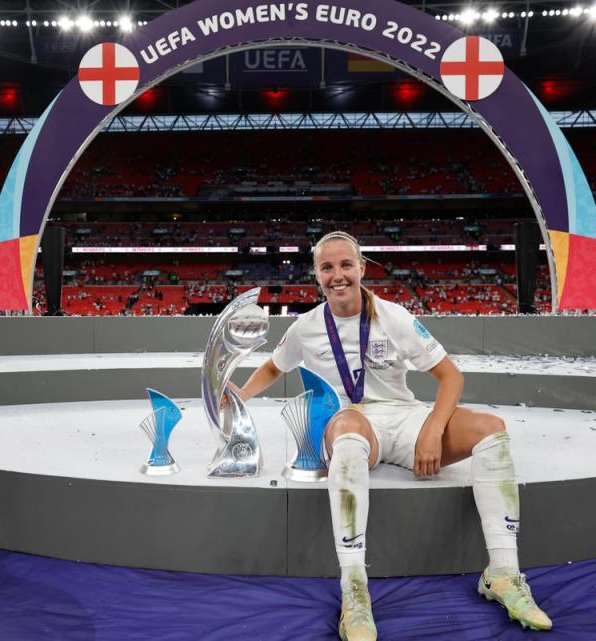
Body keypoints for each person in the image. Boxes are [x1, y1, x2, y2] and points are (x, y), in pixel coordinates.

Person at [233, 231, 551, 640]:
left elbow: (450, 375)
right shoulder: (305, 327)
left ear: (362, 268)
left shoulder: (394, 317)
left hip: (404, 418)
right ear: (316, 275)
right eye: (327, 267)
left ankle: (503, 574)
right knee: (348, 431)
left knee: (491, 430)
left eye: (346, 265)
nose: (338, 275)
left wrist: (434, 430)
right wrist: (241, 394)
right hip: (349, 422)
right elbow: (274, 367)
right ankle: (354, 592)